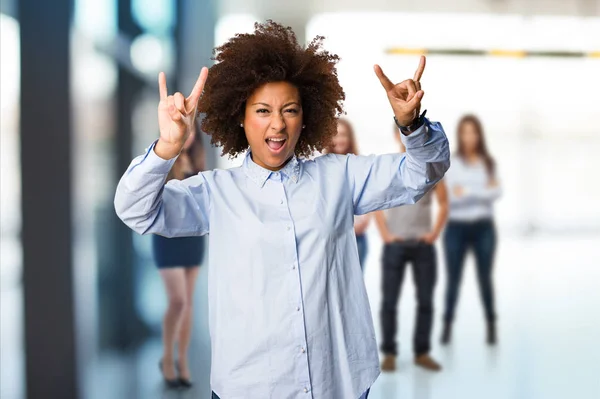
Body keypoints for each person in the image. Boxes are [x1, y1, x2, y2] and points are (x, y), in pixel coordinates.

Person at [114, 21, 450, 399]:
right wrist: (167, 146)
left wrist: (412, 125)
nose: (277, 124)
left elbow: (423, 173)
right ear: (241, 118)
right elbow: (135, 209)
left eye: (289, 110)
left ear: (305, 118)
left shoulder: (340, 176)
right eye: (262, 110)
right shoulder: (216, 193)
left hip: (337, 382)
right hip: (250, 386)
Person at [374, 125, 449, 372]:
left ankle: (422, 352)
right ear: (397, 136)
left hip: (422, 245)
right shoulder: (390, 166)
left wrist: (434, 233)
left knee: (426, 301)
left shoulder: (431, 169)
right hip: (395, 245)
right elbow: (375, 201)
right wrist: (385, 234)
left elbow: (444, 202)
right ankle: (389, 354)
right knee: (389, 302)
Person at [153, 121, 206, 388]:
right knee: (178, 302)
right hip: (166, 238)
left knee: (188, 304)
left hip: (192, 239)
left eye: (191, 129)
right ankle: (166, 358)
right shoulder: (161, 158)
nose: (188, 134)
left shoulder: (197, 161)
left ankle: (182, 362)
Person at [441, 114, 501, 346]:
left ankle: (491, 324)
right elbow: (452, 197)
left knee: (485, 277)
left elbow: (496, 193)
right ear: (460, 135)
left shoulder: (488, 163)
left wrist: (468, 192)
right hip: (456, 227)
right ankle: (447, 326)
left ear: (479, 135)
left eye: (473, 132)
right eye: (465, 132)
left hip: (484, 227)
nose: (469, 137)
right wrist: (481, 191)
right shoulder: (452, 163)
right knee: (453, 278)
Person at [327, 119, 371, 272]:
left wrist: (364, 221)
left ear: (350, 137)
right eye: (335, 135)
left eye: (343, 135)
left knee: (354, 290)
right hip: (330, 239)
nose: (339, 139)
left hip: (356, 237)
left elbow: (370, 196)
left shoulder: (360, 165)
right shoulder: (320, 168)